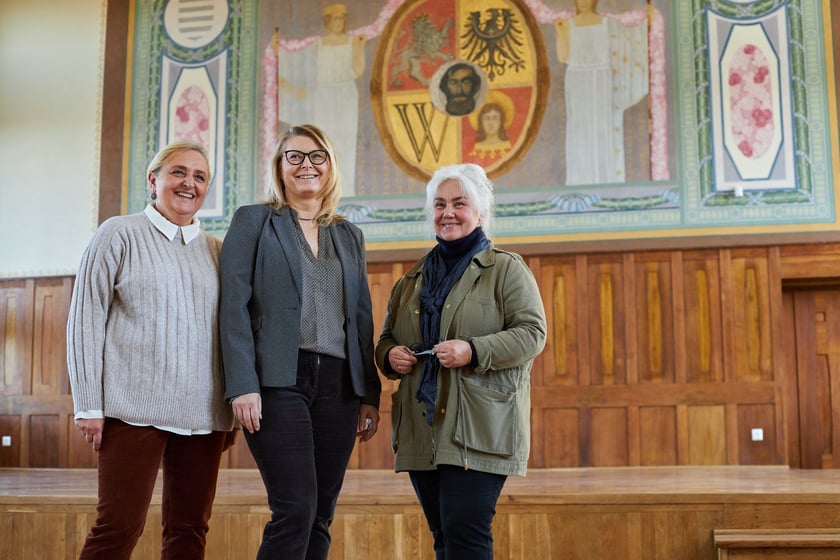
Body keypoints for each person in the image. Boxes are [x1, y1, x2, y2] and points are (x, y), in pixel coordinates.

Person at [66, 140, 236, 560]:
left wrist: (229, 409)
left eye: (199, 177)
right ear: (153, 179)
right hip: (133, 411)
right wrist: (88, 404)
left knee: (189, 531)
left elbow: (234, 333)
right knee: (118, 528)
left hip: (203, 416)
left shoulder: (218, 251)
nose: (188, 183)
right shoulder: (118, 233)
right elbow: (85, 320)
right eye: (178, 172)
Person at [219, 124, 382, 559]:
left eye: (316, 156)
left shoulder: (349, 234)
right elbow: (233, 307)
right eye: (294, 156)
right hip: (276, 382)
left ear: (329, 166)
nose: (306, 165)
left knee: (320, 514)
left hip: (339, 387)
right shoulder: (254, 220)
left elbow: (361, 319)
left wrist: (368, 394)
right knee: (295, 507)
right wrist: (241, 384)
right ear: (280, 167)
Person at [375, 163, 547, 559]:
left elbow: (532, 334)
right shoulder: (411, 280)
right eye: (439, 204)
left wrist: (472, 350)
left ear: (481, 211)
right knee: (444, 537)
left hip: (479, 426)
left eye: (458, 203)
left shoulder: (506, 269)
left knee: (466, 537)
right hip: (422, 426)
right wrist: (390, 355)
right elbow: (386, 339)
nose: (447, 212)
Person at [554, 0, 649, 185]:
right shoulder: (568, 24)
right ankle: (580, 180)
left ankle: (604, 179)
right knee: (579, 129)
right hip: (577, 79)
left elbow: (625, 42)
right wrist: (559, 31)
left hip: (600, 80)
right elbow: (563, 56)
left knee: (600, 127)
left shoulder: (608, 23)